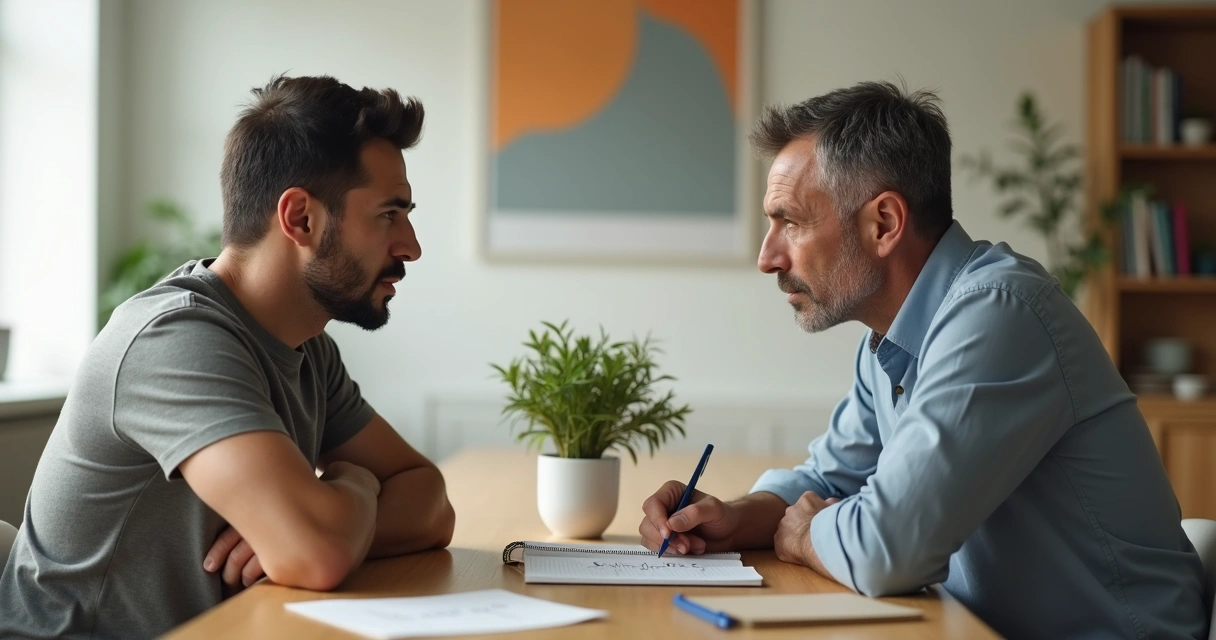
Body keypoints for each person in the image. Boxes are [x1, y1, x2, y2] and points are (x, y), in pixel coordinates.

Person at [638, 81, 1207, 639]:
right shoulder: (888, 340)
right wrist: (732, 519)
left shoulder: (999, 314)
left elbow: (888, 550)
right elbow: (826, 477)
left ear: (883, 223)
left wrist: (806, 534)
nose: (767, 257)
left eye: (790, 220)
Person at [0, 75, 456, 639]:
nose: (410, 245)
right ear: (300, 219)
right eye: (389, 214)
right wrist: (355, 483)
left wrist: (326, 524)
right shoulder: (173, 340)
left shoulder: (309, 349)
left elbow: (430, 502)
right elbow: (315, 553)